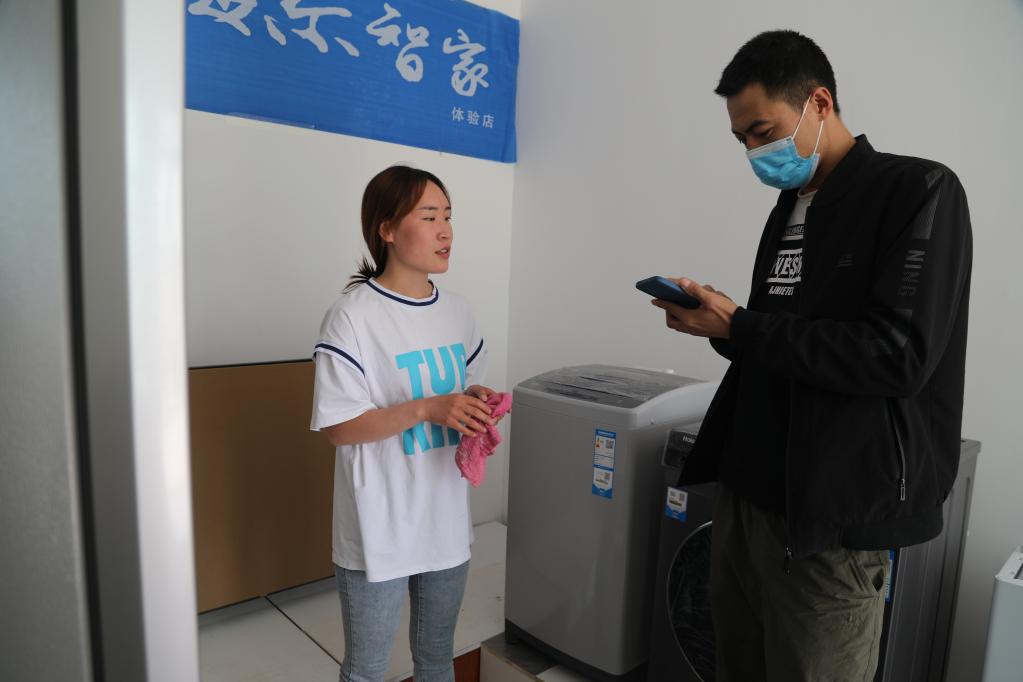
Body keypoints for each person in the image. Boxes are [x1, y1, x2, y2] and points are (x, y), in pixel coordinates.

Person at [650, 30, 973, 681]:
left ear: (818, 103)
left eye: (761, 131)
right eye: (741, 138)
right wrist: (721, 323)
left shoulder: (917, 190)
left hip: (830, 522)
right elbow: (785, 343)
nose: (753, 151)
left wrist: (741, 325)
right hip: (747, 498)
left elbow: (895, 356)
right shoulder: (790, 206)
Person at [310, 165, 501, 682]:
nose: (446, 231)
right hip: (378, 525)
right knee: (367, 670)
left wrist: (474, 401)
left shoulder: (458, 312)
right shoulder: (352, 317)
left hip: (444, 519)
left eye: (449, 217)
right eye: (429, 216)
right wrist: (427, 408)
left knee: (436, 659)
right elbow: (339, 428)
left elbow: (462, 390)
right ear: (387, 229)